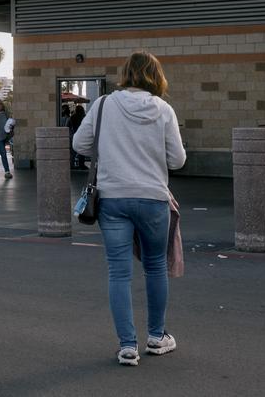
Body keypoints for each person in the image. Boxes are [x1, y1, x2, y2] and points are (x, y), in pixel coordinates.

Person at [72, 51, 186, 366]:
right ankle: (157, 335)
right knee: (154, 266)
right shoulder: (164, 110)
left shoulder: (104, 105)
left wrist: (109, 147)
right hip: (153, 199)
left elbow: (79, 144)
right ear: (156, 75)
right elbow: (177, 160)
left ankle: (127, 346)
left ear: (126, 74)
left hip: (112, 198)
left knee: (119, 272)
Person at [68, 104, 87, 169]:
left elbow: (68, 126)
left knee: (73, 152)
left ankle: (72, 164)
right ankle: (81, 164)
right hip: (82, 135)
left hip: (73, 135)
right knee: (82, 151)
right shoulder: (84, 117)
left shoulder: (72, 117)